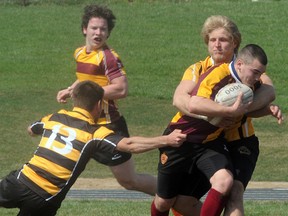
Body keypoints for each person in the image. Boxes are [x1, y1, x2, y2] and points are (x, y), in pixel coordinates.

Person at [0, 80, 186, 216]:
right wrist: (167, 139)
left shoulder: (53, 118)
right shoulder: (94, 133)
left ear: (74, 100)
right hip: (44, 197)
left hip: (19, 182)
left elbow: (32, 129)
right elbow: (129, 145)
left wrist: (34, 131)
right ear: (98, 105)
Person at [171, 15, 283, 216]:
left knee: (234, 192)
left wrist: (240, 110)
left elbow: (269, 90)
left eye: (223, 40)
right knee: (181, 202)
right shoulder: (197, 69)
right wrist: (210, 116)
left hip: (240, 141)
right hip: (205, 143)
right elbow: (179, 100)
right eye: (212, 40)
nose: (217, 45)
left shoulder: (247, 67)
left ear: (235, 43)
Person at [151, 44, 270, 216]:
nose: (259, 78)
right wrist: (228, 111)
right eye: (256, 72)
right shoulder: (217, 74)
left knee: (225, 181)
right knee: (164, 202)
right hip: (181, 138)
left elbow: (269, 91)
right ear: (239, 64)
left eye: (260, 73)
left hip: (209, 143)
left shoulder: (247, 80)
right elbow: (194, 103)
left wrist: (268, 109)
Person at [56, 4, 157, 195]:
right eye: (94, 28)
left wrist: (88, 93)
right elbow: (86, 81)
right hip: (86, 122)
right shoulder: (79, 53)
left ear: (108, 33)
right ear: (85, 29)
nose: (98, 33)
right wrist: (71, 89)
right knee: (65, 162)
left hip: (109, 125)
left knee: (129, 181)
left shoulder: (108, 58)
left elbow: (121, 88)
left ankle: (172, 196)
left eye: (103, 29)